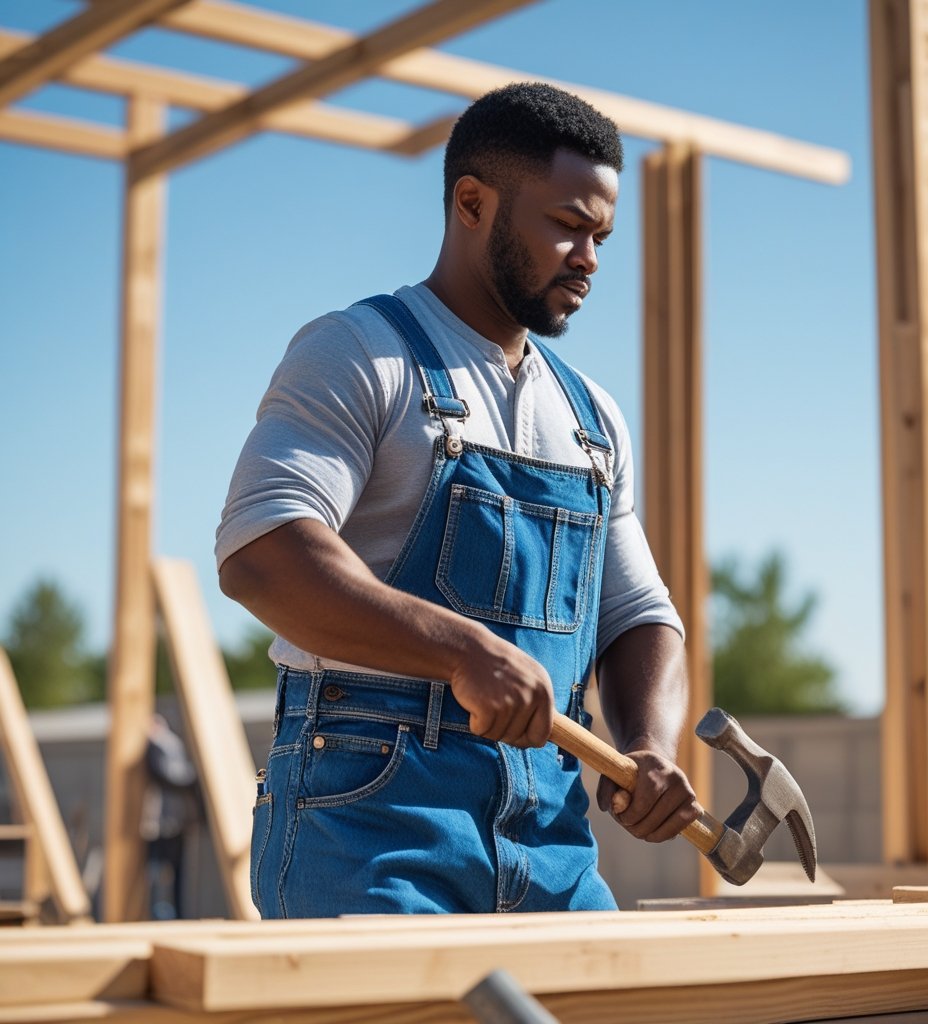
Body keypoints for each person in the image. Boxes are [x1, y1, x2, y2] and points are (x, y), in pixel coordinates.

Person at [216, 82, 700, 916]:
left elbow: (638, 615)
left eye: (601, 236)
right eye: (567, 226)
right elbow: (264, 554)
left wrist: (650, 746)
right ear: (472, 203)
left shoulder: (592, 421)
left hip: (550, 840)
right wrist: (459, 650)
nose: (588, 258)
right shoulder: (361, 354)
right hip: (370, 824)